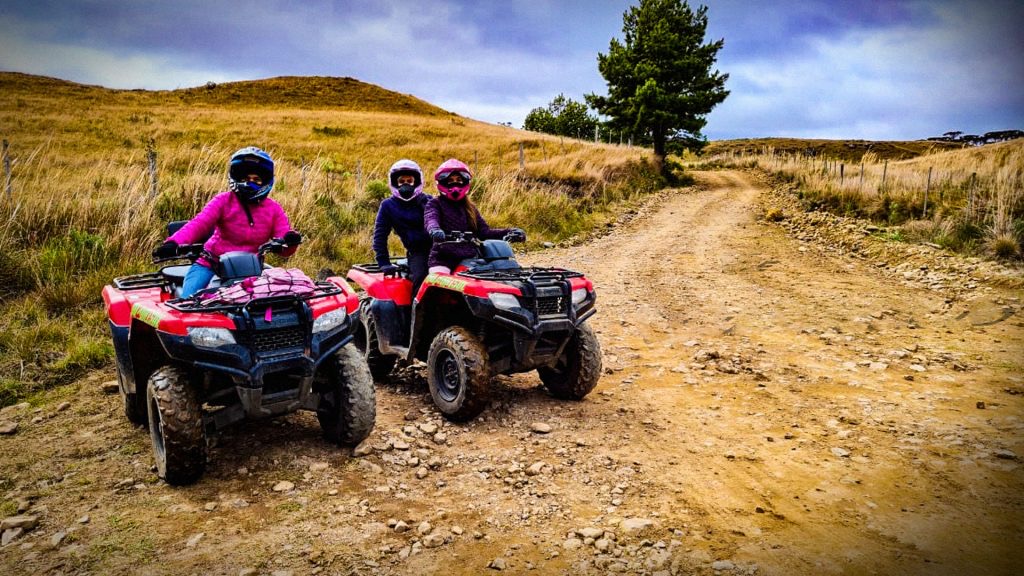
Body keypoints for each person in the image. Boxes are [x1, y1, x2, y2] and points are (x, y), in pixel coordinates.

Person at [153, 146, 301, 297]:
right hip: (211, 264)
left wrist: (290, 241)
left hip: (251, 270)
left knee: (277, 301)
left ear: (265, 182)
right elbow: (199, 224)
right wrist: (173, 243)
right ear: (236, 178)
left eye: (256, 180)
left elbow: (284, 244)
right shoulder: (223, 201)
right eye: (245, 179)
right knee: (188, 300)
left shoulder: (274, 209)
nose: (250, 183)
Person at [424, 158, 525, 274]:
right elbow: (431, 218)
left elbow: (484, 232)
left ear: (465, 181)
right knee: (438, 281)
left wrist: (510, 232)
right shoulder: (434, 204)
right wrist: (434, 230)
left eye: (459, 180)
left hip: (469, 258)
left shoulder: (470, 207)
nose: (455, 183)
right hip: (443, 259)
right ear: (442, 182)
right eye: (450, 180)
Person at [372, 159, 432, 297]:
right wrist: (383, 262)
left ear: (416, 181)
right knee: (421, 279)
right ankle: (418, 310)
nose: (406, 184)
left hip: (440, 247)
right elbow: (380, 235)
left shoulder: (428, 200)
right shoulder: (388, 205)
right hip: (418, 252)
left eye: (409, 181)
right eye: (401, 181)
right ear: (395, 182)